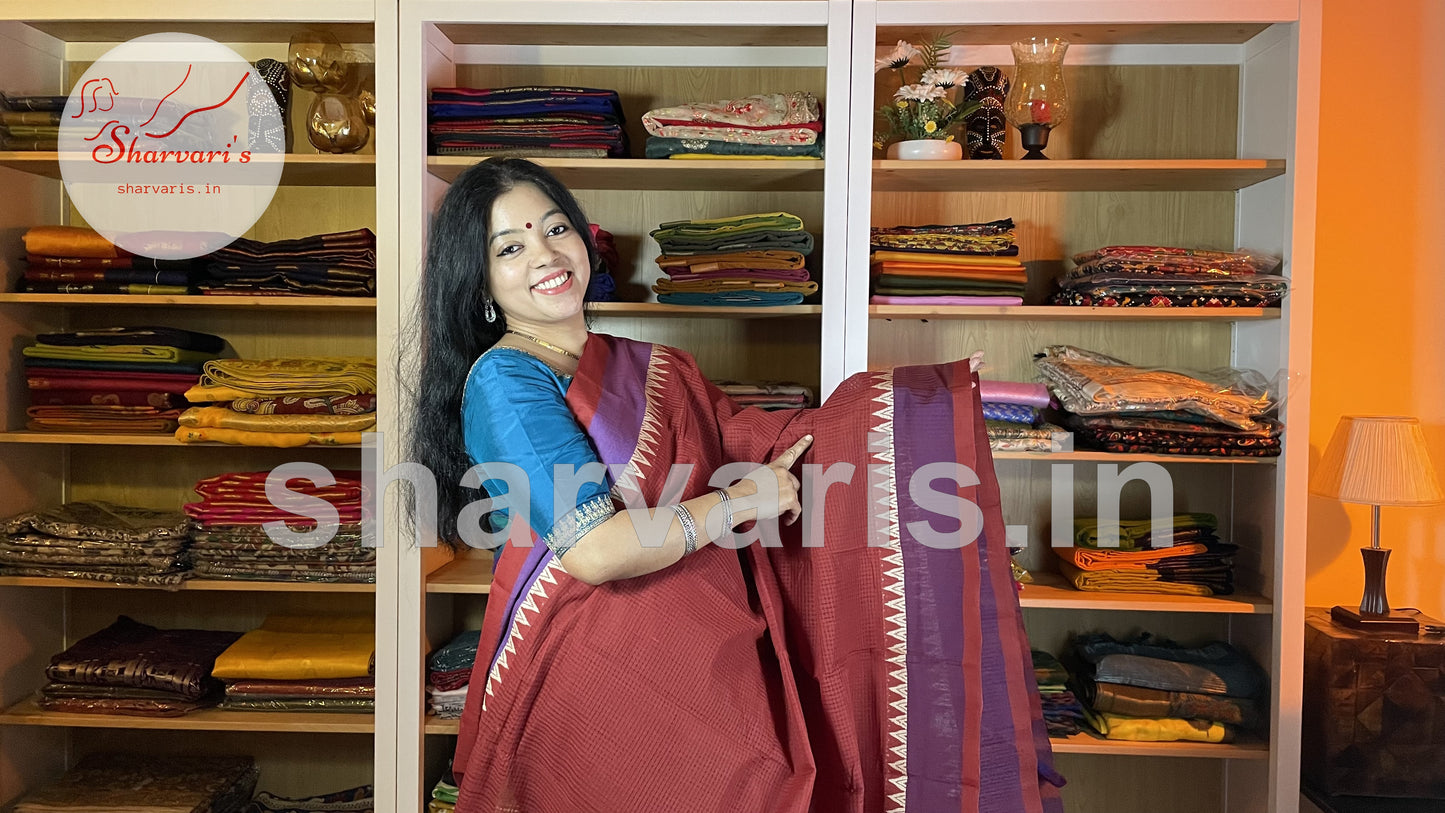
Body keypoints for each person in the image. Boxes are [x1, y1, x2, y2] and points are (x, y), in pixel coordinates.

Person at [408, 158, 1063, 813]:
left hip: (706, 651)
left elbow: (761, 443)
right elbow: (595, 550)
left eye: (555, 229)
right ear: (481, 279)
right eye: (512, 247)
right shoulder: (506, 382)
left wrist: (917, 408)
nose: (546, 255)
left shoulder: (643, 364)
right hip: (596, 671)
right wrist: (741, 501)